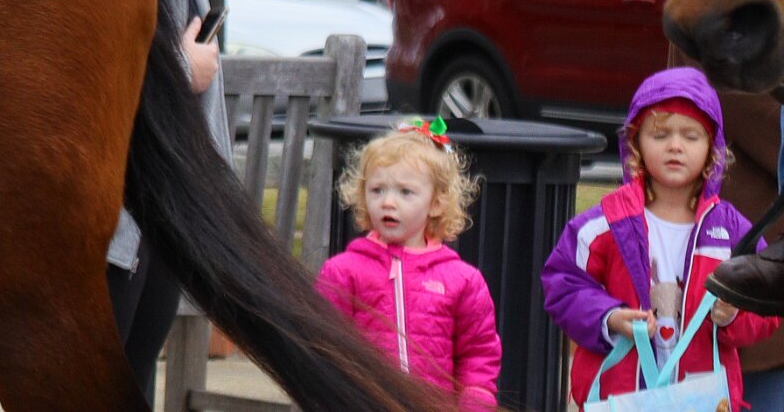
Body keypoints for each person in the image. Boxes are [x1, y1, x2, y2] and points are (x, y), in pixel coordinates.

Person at [99, 0, 231, 403]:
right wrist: (183, 68)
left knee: (135, 374)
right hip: (111, 201)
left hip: (158, 198)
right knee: (101, 380)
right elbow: (93, 47)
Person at [543, 69, 782, 408]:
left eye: (691, 136)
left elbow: (767, 303)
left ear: (712, 148)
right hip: (621, 398)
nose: (675, 146)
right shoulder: (603, 225)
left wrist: (732, 316)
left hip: (703, 399)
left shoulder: (734, 233)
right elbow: (563, 285)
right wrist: (609, 318)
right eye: (660, 134)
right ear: (635, 143)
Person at [315, 120, 499, 406]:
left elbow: (478, 354)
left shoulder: (462, 279)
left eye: (405, 192)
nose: (388, 202)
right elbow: (324, 344)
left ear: (436, 203)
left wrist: (475, 404)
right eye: (377, 190)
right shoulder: (342, 272)